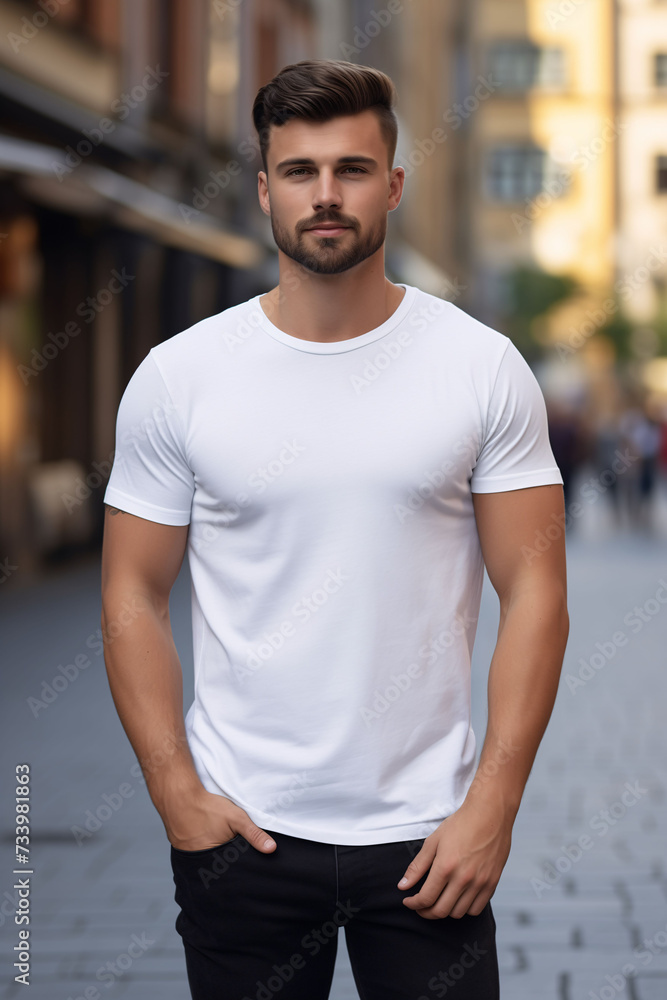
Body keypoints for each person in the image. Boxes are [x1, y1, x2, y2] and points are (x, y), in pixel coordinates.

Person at [100, 59, 569, 1000]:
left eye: (351, 170)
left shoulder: (480, 368)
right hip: (242, 835)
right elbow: (131, 593)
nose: (325, 195)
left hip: (431, 842)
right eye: (301, 170)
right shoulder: (179, 376)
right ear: (265, 186)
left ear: (392, 184)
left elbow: (537, 595)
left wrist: (493, 809)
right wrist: (174, 791)